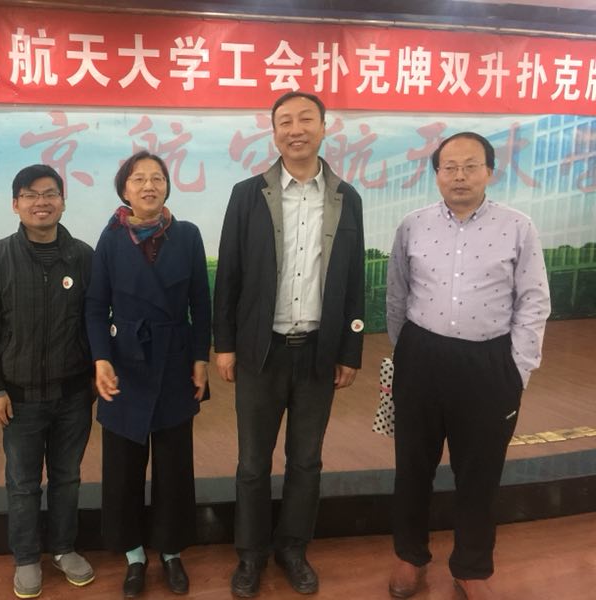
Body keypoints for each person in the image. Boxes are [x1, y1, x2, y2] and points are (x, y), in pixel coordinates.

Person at [386, 132, 551, 600]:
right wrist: (407, 353)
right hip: (421, 358)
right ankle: (410, 556)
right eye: (450, 167)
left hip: (488, 363)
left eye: (470, 166)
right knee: (412, 465)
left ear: (489, 172)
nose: (459, 176)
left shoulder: (518, 226)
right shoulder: (412, 225)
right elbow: (397, 294)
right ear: (436, 174)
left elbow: (534, 300)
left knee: (480, 472)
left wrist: (517, 368)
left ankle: (471, 567)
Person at [213, 91, 366, 597]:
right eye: (285, 121)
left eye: (305, 119)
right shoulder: (247, 195)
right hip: (262, 350)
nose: (295, 129)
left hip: (319, 351)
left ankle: (293, 549)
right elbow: (229, 274)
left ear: (324, 127)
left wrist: (349, 350)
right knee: (253, 463)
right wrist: (224, 344)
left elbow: (354, 279)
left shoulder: (346, 197)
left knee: (306, 460)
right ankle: (251, 554)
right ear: (274, 131)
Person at [85, 150, 211, 598]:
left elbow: (201, 302)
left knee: (175, 464)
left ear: (167, 187)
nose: (149, 186)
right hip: (125, 362)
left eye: (157, 178)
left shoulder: (188, 235)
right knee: (123, 465)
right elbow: (96, 307)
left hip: (175, 360)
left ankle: (172, 552)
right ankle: (134, 555)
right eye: (138, 179)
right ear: (124, 189)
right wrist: (101, 359)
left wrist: (200, 358)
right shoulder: (110, 239)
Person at [0, 164, 95, 599]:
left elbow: (95, 321)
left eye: (49, 193)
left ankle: (63, 548)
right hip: (18, 398)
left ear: (62, 200)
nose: (41, 202)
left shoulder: (83, 256)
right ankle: (26, 557)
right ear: (15, 204)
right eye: (30, 195)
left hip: (74, 394)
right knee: (23, 483)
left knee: (67, 477)